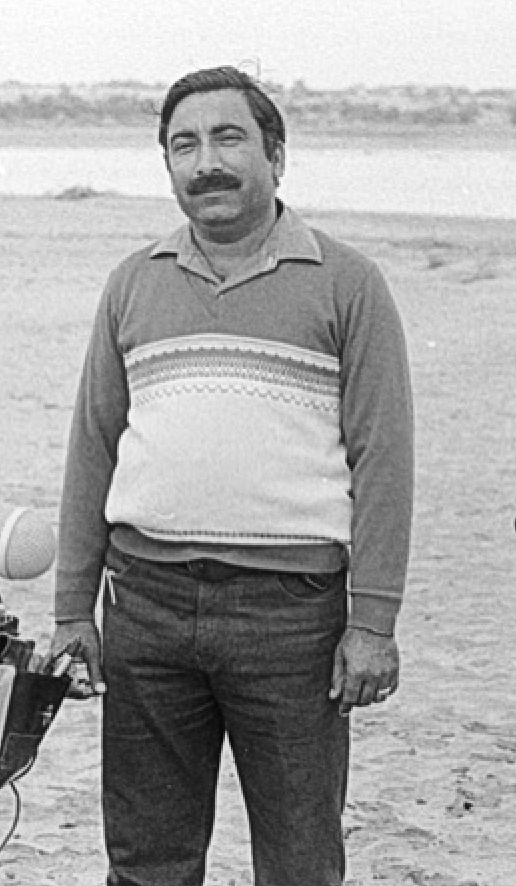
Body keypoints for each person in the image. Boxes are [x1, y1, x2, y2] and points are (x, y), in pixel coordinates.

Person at [51, 66, 413, 886]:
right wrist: (75, 608)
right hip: (145, 607)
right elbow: (93, 449)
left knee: (299, 860)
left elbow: (385, 460)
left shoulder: (348, 284)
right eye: (184, 144)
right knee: (147, 859)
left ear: (276, 155)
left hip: (291, 619)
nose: (205, 161)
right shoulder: (133, 282)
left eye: (227, 138)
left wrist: (374, 622)